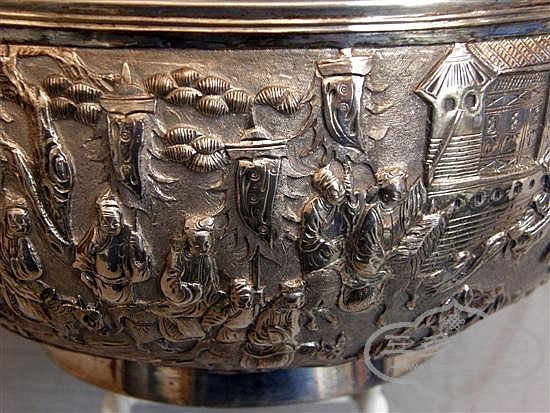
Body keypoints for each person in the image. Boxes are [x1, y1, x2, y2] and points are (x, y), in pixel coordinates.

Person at [74, 190, 151, 304]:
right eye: (106, 223)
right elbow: (82, 256)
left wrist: (138, 251)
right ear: (99, 221)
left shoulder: (129, 237)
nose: (110, 227)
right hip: (100, 285)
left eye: (114, 223)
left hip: (123, 288)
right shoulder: (96, 236)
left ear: (121, 220)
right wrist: (87, 273)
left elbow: (140, 276)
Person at [154, 215, 221, 343]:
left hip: (201, 303)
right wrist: (191, 291)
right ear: (189, 244)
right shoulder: (179, 257)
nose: (205, 248)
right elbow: (171, 282)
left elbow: (210, 284)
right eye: (199, 245)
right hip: (182, 302)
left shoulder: (207, 260)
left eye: (207, 244)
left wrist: (210, 297)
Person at [0, 195, 48, 322]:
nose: (17, 226)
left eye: (20, 221)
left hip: (26, 284)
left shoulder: (23, 242)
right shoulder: (8, 242)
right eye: (13, 221)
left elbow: (33, 269)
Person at [300, 166, 354, 273]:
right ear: (325, 192)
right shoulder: (313, 209)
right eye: (335, 192)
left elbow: (353, 216)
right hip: (318, 254)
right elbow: (308, 238)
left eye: (340, 189)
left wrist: (350, 194)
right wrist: (324, 244)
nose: (340, 195)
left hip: (338, 250)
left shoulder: (339, 203)